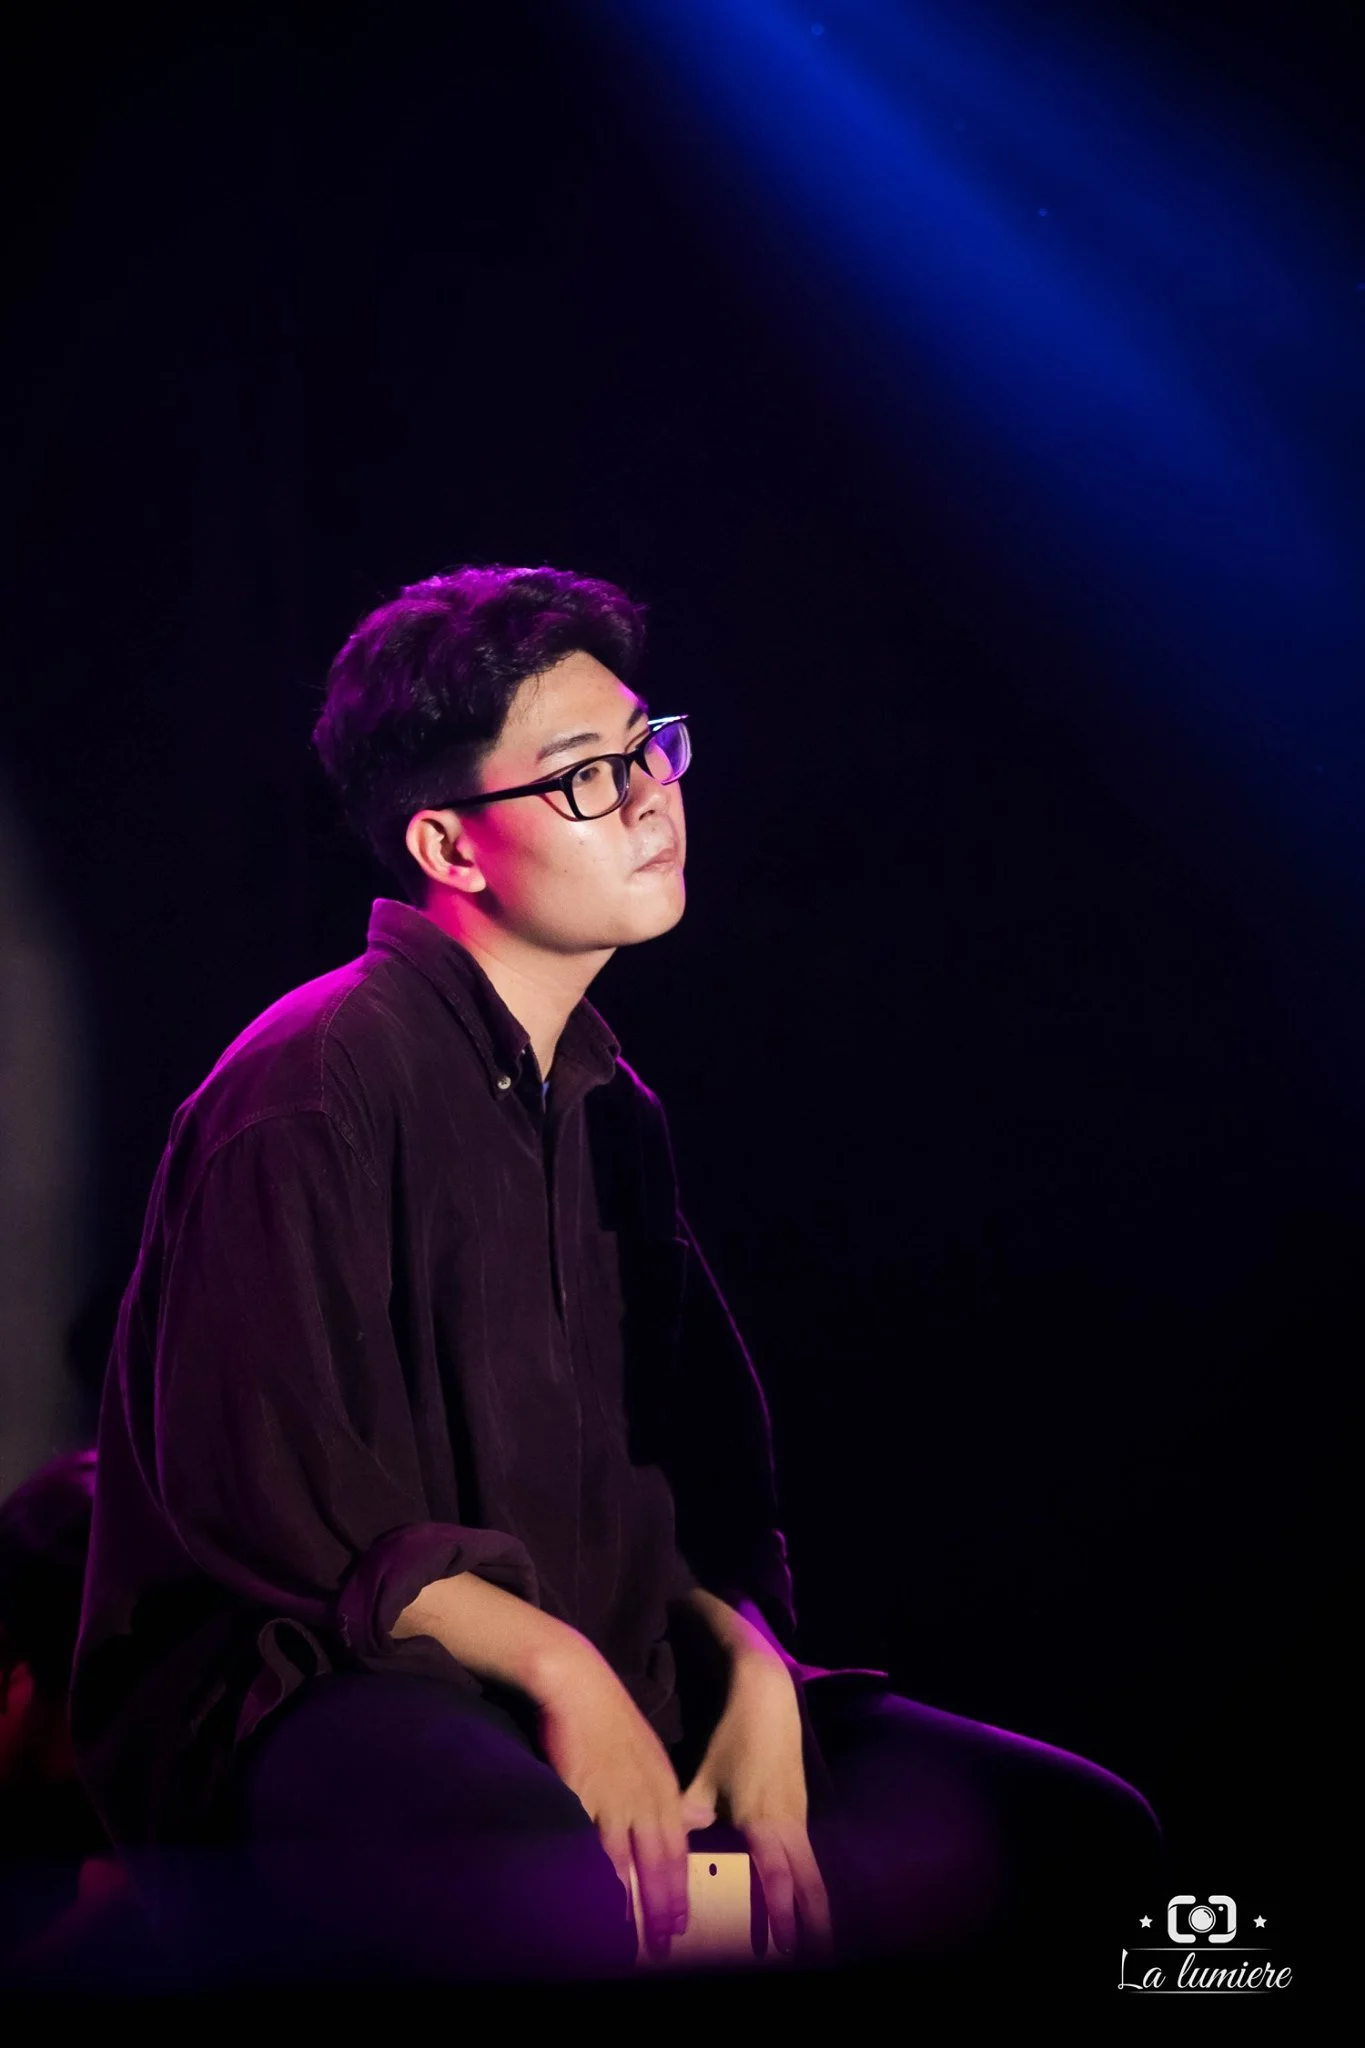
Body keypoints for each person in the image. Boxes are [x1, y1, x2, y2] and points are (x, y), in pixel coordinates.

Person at [70, 563, 1162, 1992]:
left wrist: (757, 1664)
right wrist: (559, 1668)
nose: (652, 794)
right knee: (553, 1890)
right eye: (588, 775)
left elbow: (694, 1487)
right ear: (451, 849)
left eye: (651, 746)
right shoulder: (311, 1079)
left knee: (1086, 1843)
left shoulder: (607, 1105)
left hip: (599, 1662)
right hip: (319, 1688)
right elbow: (273, 1510)